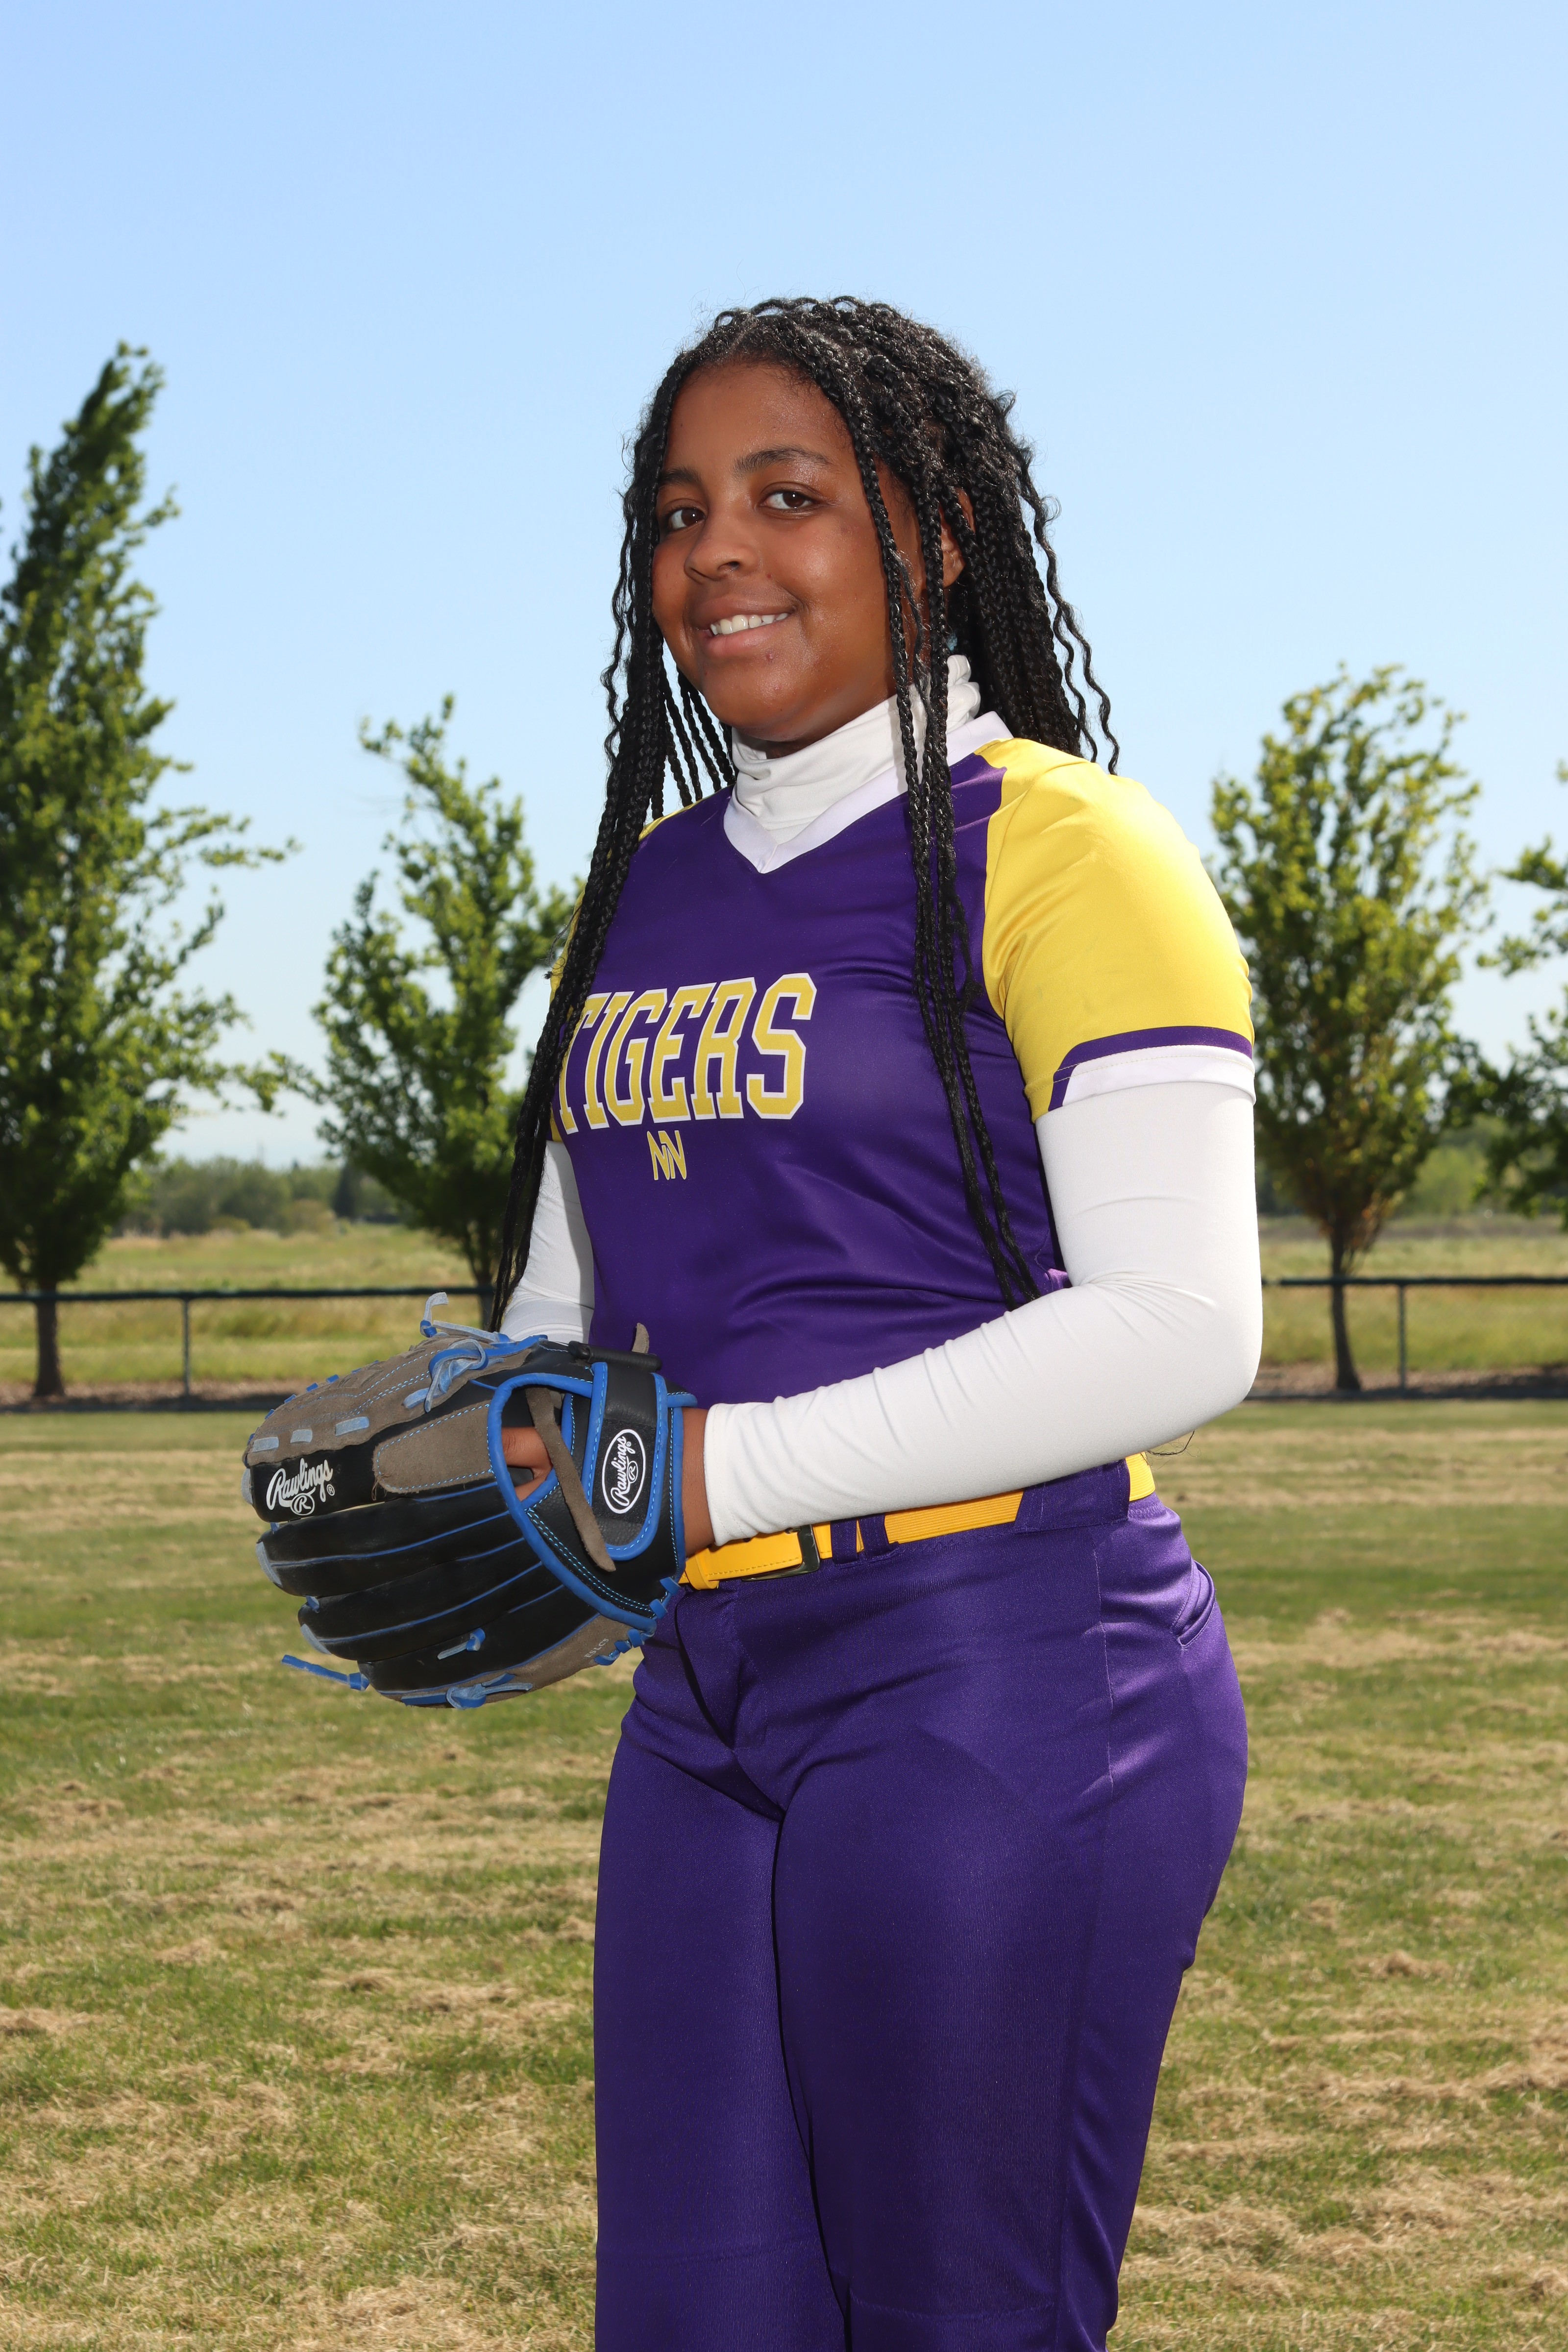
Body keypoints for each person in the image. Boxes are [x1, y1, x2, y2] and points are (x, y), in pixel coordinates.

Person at [491, 298, 1259, 2352]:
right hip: (708, 1688)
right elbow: (572, 1301)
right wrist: (494, 1479)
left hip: (1001, 1667)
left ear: (935, 532)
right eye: (678, 513)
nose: (717, 553)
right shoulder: (639, 896)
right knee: (691, 2322)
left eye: (788, 495)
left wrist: (714, 1474)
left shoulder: (1067, 845)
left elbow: (1185, 1322)